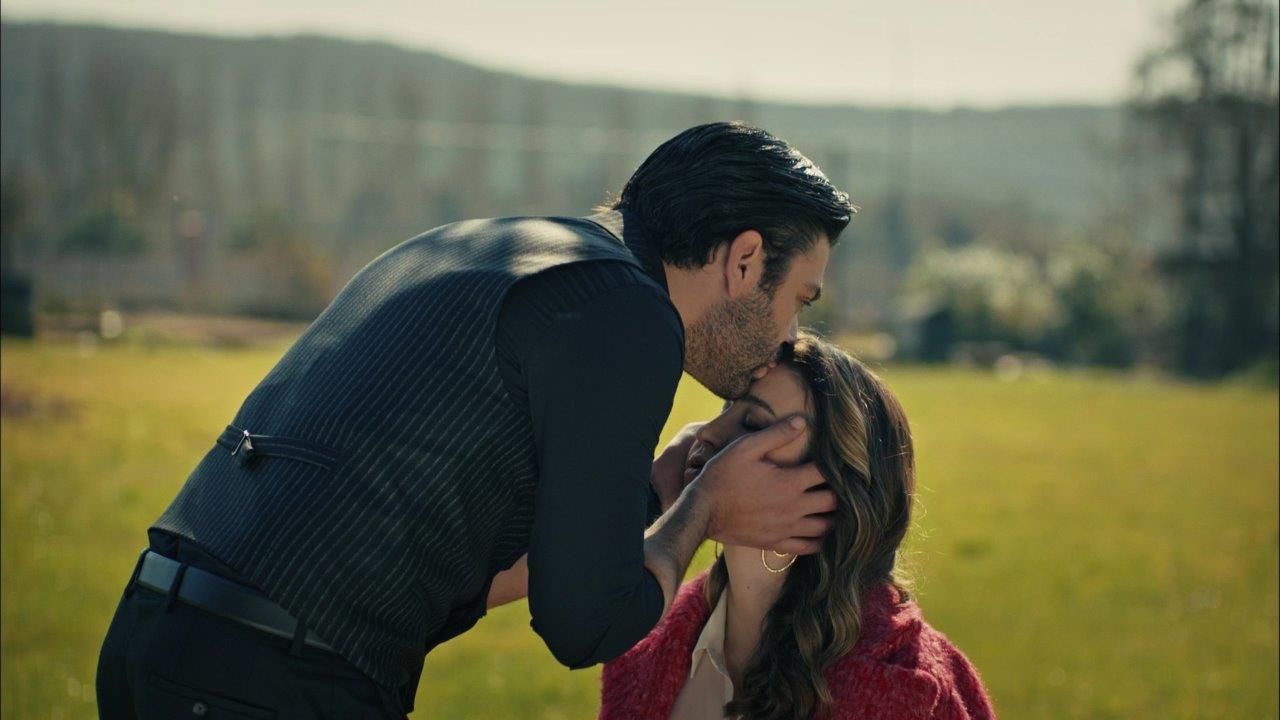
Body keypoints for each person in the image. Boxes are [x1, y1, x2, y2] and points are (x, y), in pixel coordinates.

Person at [96, 122, 855, 718]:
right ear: (744, 261)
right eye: (801, 299)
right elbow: (585, 623)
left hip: (154, 634)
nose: (789, 336)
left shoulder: (508, 254)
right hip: (271, 677)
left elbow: (462, 555)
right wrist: (707, 507)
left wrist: (658, 493)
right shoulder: (631, 316)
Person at [599, 333, 997, 720]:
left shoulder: (909, 691)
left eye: (753, 424)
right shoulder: (641, 644)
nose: (707, 432)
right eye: (726, 410)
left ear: (829, 489)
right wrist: (655, 500)